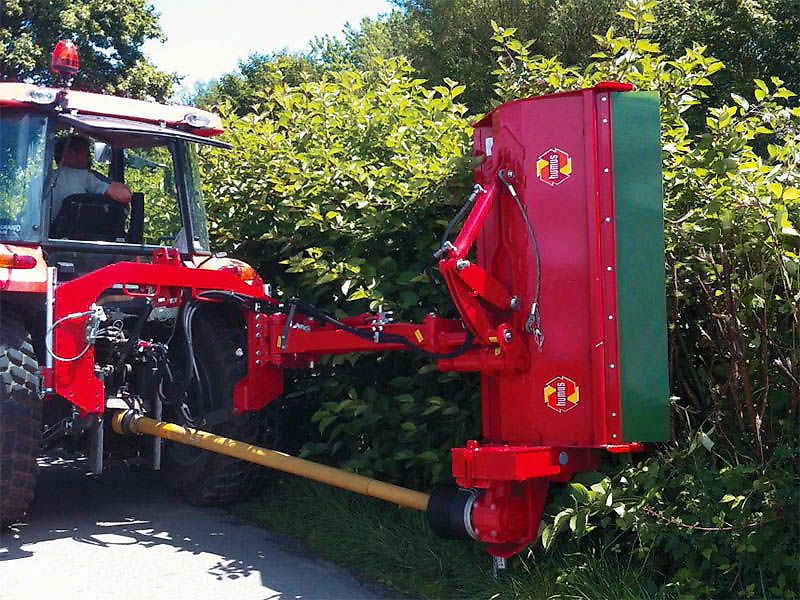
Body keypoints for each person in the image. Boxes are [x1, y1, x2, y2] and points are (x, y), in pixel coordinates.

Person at [47, 134, 132, 220]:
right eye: (86, 155)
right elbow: (124, 195)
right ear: (69, 154)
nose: (89, 160)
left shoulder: (42, 181)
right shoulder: (85, 176)